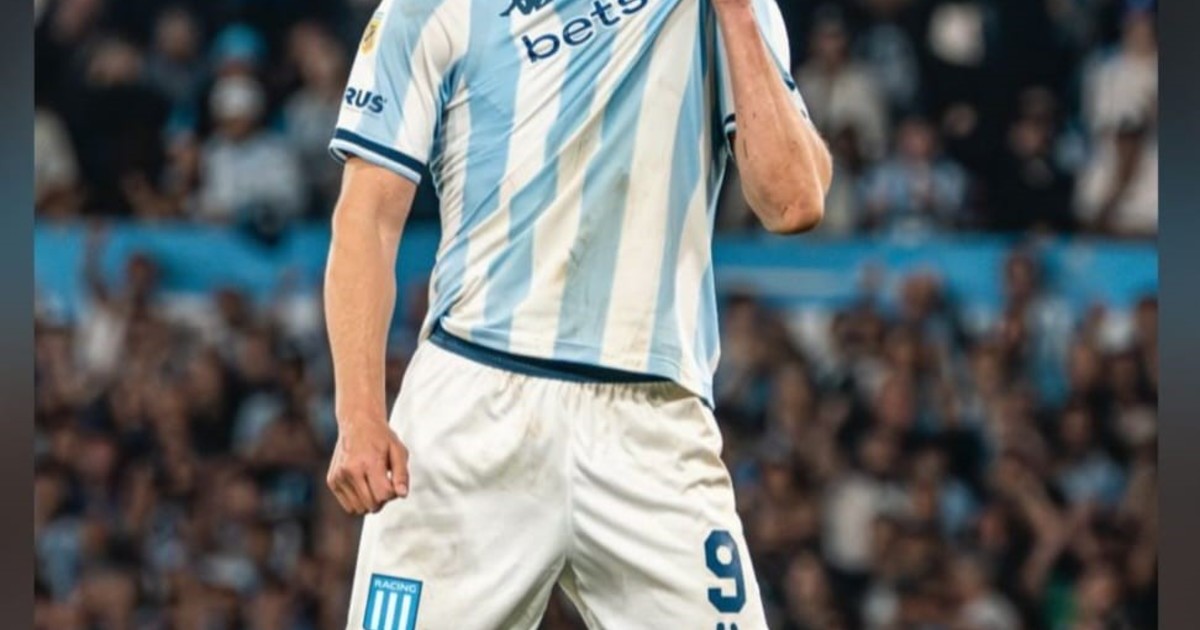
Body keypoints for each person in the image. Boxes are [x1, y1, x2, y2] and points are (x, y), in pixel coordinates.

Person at [321, 0, 832, 628]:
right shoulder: (427, 10)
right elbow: (366, 219)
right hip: (473, 407)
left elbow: (794, 202)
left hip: (653, 422)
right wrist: (359, 413)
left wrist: (737, 11)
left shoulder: (718, 11)